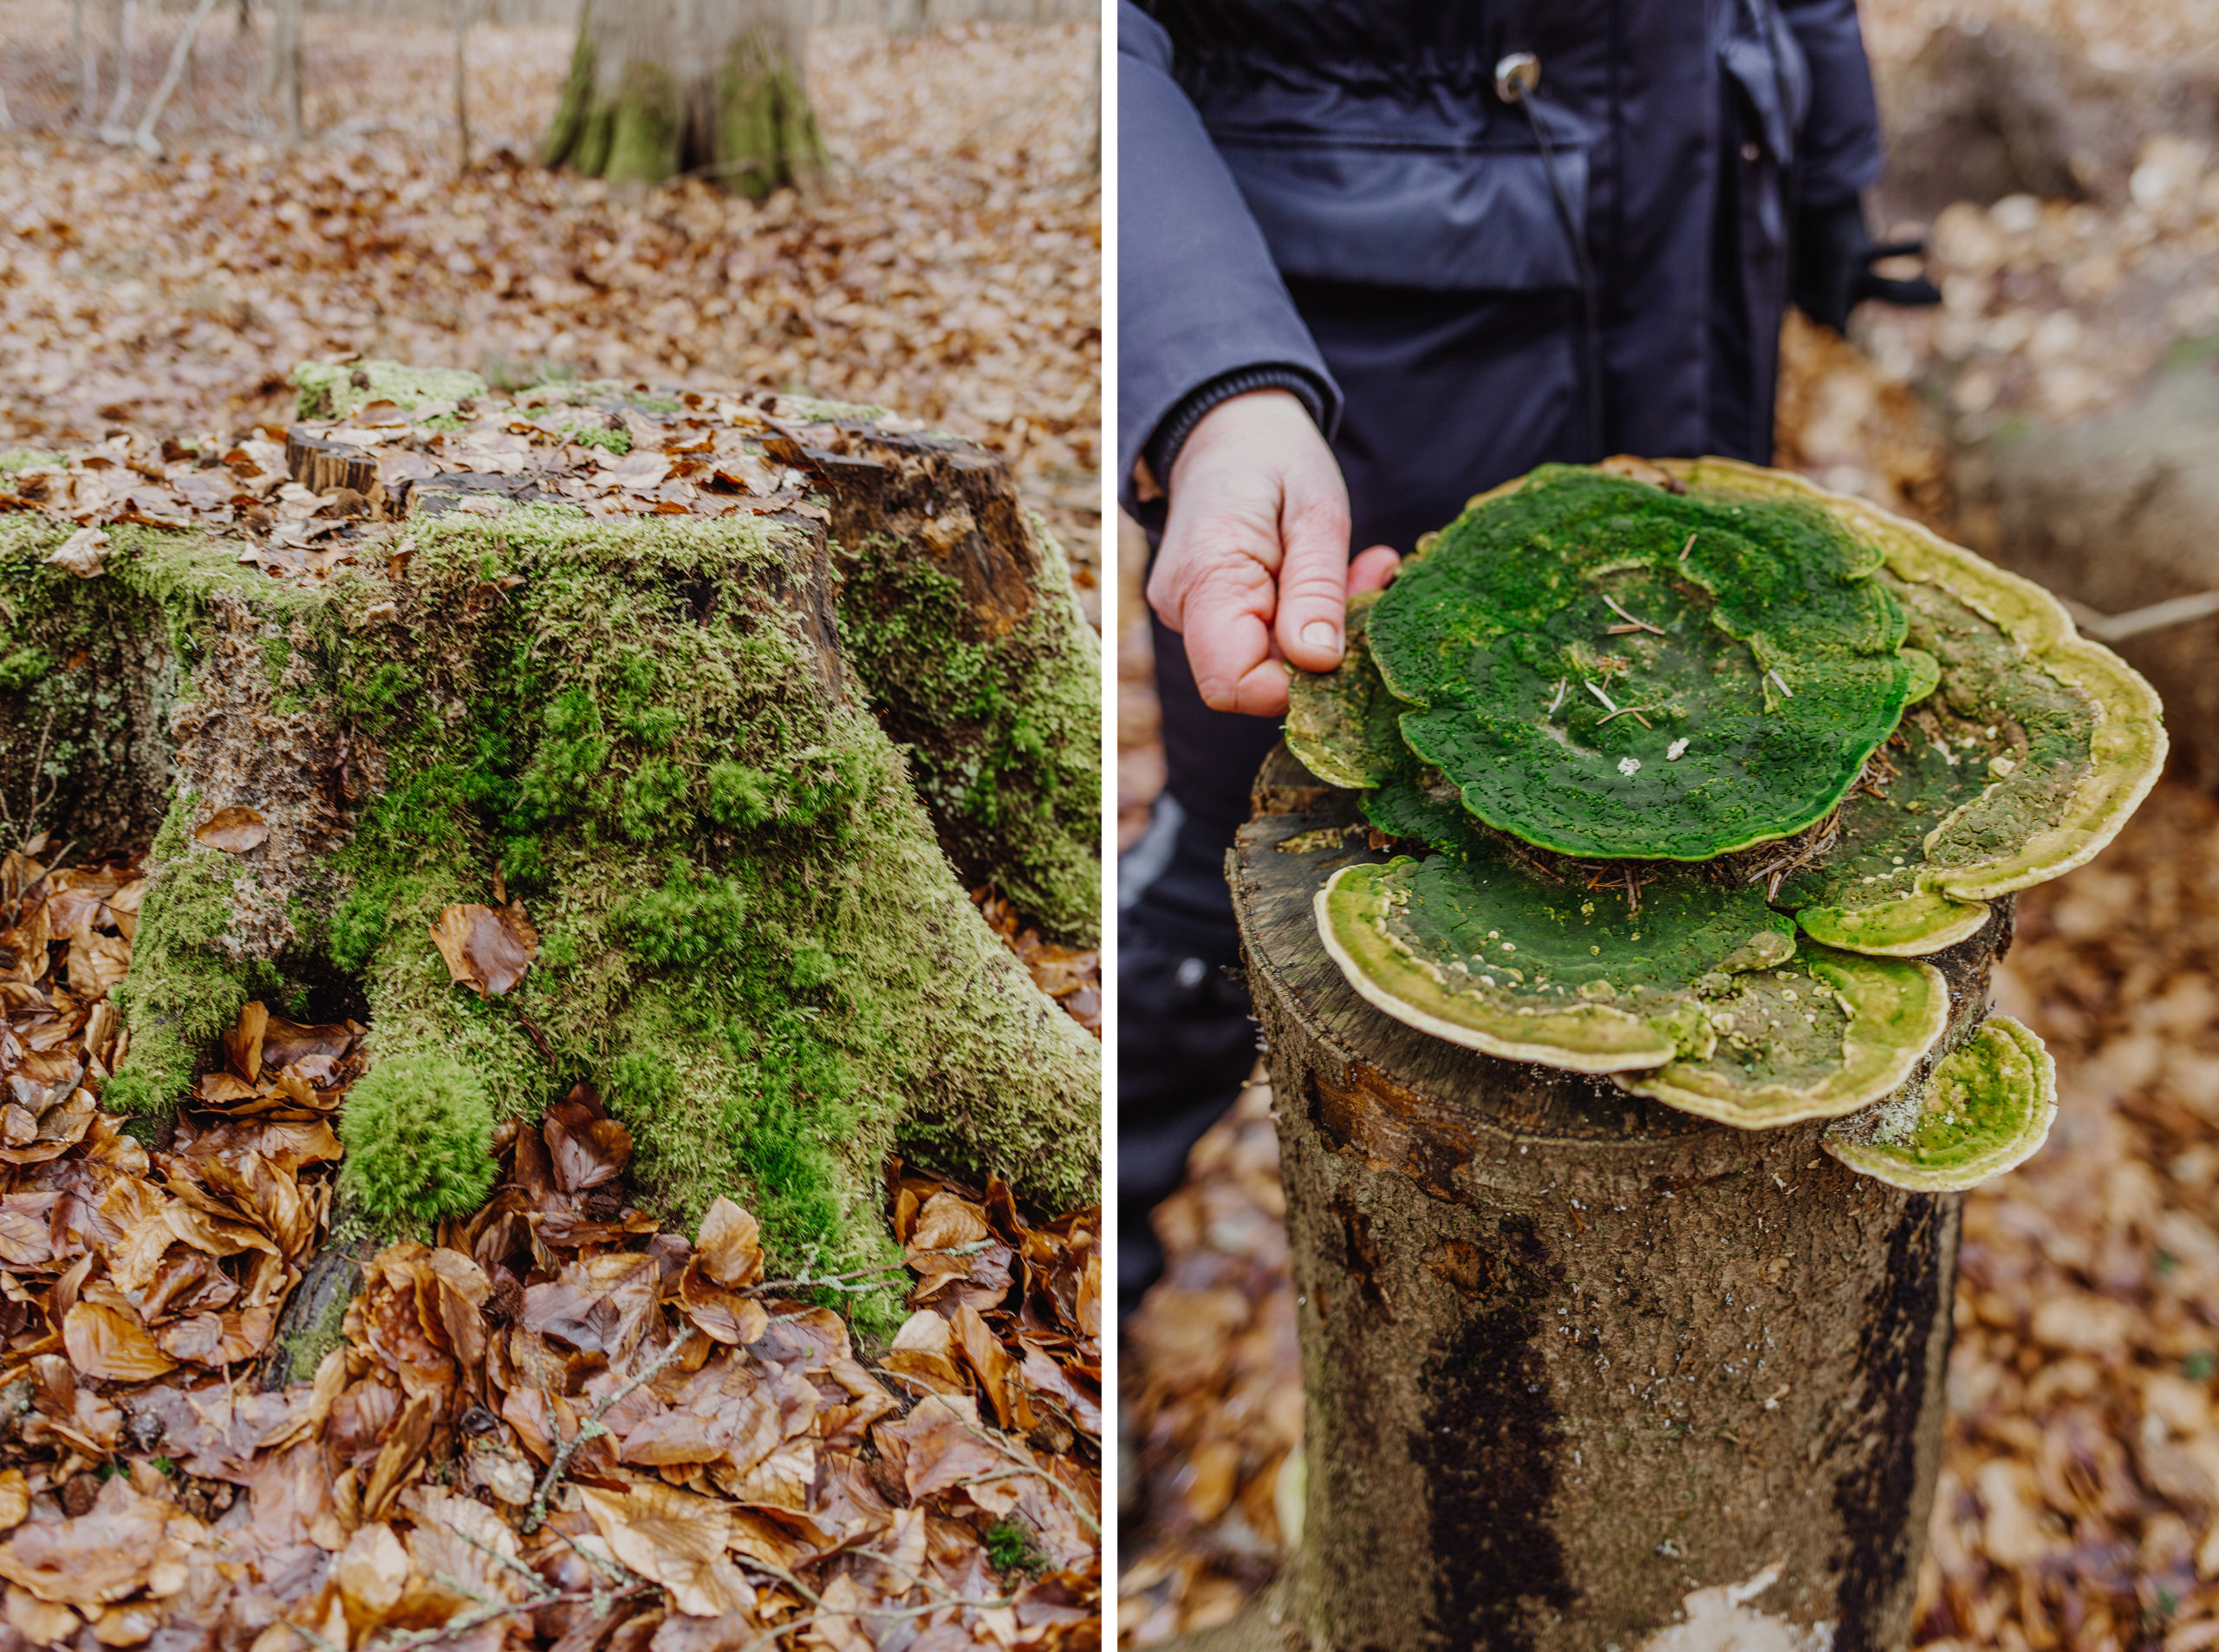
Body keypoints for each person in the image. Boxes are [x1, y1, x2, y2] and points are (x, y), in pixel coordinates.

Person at [1116, 0, 1938, 1315]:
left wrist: (1833, 176)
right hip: (1357, 349)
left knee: (1703, 831)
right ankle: (1099, 1239)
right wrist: (1212, 376)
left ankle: (1600, 1284)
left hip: (1692, 246)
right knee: (1264, 851)